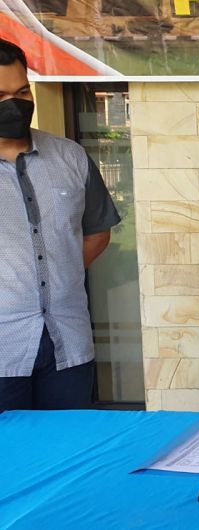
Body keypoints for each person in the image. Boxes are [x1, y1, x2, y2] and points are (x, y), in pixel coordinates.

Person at [0, 38, 120, 411]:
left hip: (68, 343)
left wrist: (56, 275)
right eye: (1, 95)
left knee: (70, 454)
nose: (15, 104)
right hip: (5, 350)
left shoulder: (71, 156)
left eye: (22, 91)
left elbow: (98, 231)